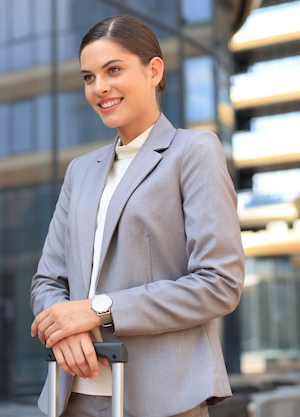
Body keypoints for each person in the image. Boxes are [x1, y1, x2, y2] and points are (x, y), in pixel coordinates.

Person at [30, 15, 245, 417]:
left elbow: (219, 283)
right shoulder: (81, 170)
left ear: (154, 70)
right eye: (89, 77)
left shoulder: (192, 152)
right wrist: (63, 332)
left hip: (163, 397)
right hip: (72, 394)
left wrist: (96, 310)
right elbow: (47, 282)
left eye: (113, 70)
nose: (100, 88)